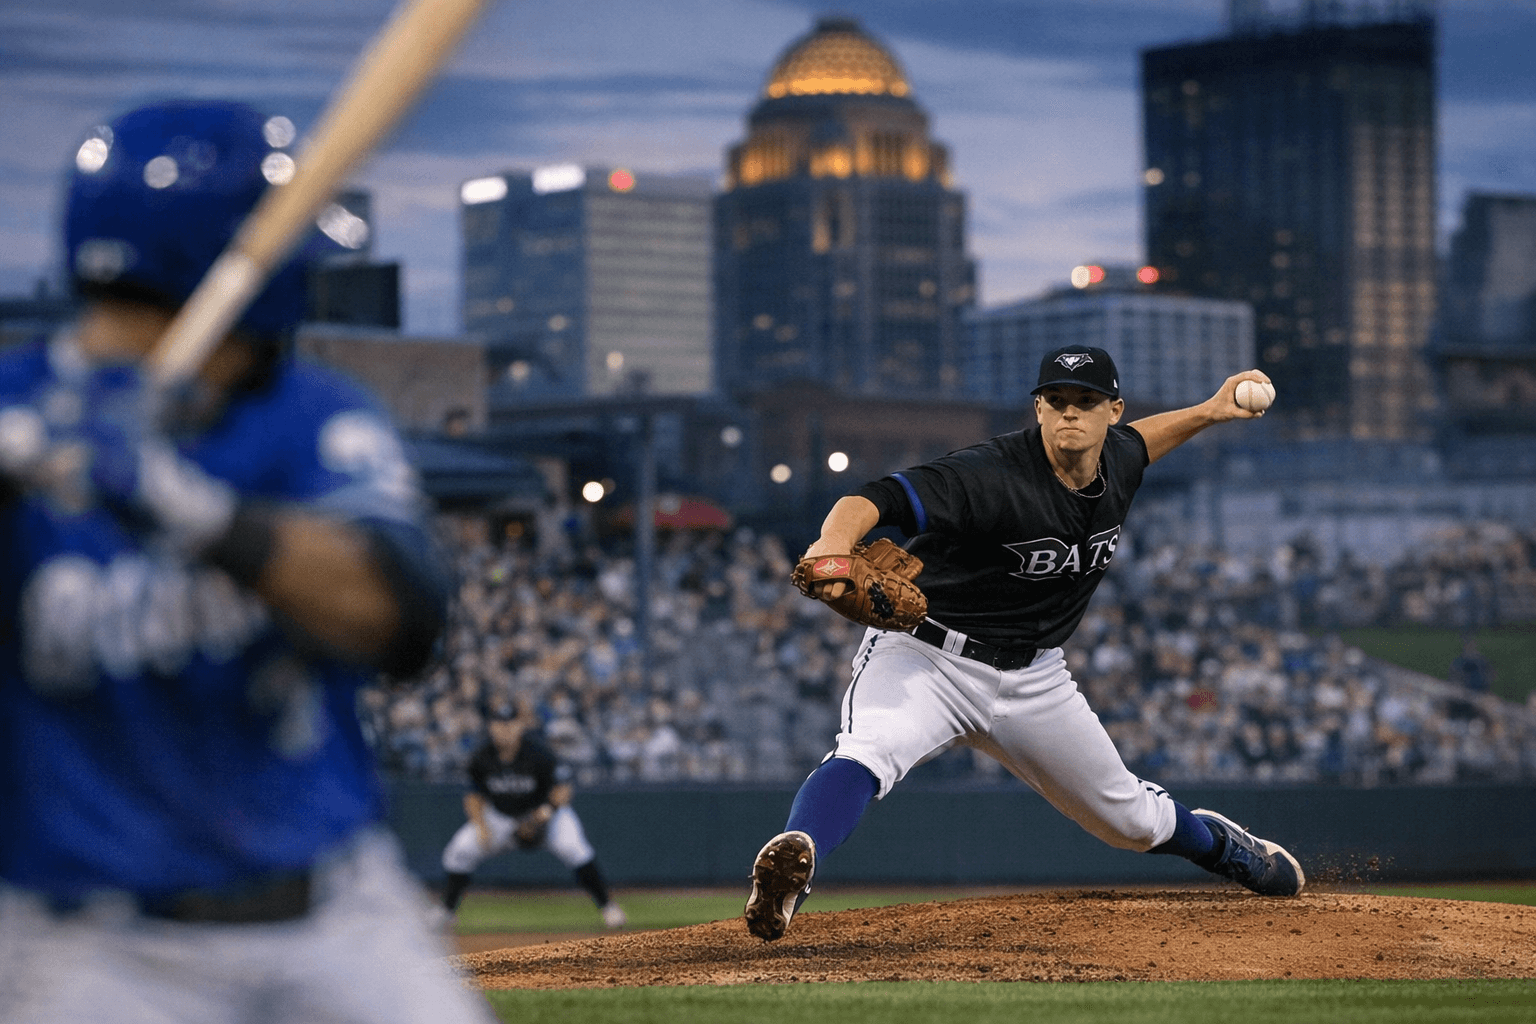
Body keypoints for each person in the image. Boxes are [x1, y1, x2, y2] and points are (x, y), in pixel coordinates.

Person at [0, 100, 496, 1022]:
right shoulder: (19, 408)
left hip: (335, 918)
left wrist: (184, 504)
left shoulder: (307, 414)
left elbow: (401, 620)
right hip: (90, 946)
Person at [744, 346, 1306, 942]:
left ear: (1112, 410)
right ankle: (793, 865)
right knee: (869, 749)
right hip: (928, 655)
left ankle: (1223, 845)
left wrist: (1211, 410)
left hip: (1036, 678)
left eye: (1086, 401)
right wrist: (832, 542)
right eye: (1056, 400)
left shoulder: (1118, 459)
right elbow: (873, 498)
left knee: (1131, 822)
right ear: (1038, 407)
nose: (1070, 413)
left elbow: (1144, 443)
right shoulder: (990, 473)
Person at [438, 702, 627, 930]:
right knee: (459, 850)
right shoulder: (481, 757)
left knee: (573, 848)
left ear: (519, 726)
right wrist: (481, 827)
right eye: (499, 724)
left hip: (546, 814)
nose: (504, 729)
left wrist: (543, 815)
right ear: (491, 727)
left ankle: (608, 907)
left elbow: (563, 790)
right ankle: (447, 911)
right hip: (500, 818)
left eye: (509, 724)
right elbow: (473, 797)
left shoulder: (538, 753)